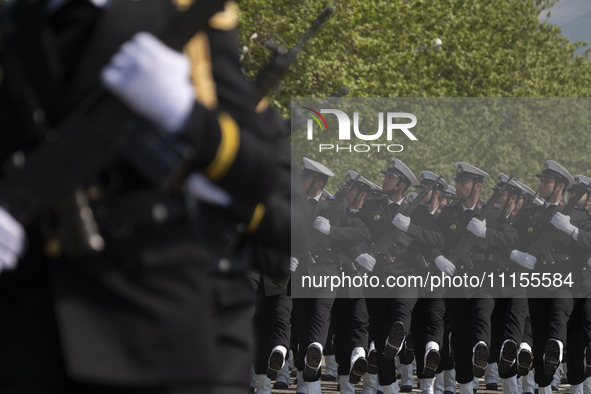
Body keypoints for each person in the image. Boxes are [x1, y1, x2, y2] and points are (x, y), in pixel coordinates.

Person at [0, 1, 291, 393]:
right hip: (26, 333)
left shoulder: (178, 14)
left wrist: (186, 115)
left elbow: (268, 182)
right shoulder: (16, 20)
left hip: (148, 333)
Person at [509, 160, 577, 394]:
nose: (541, 184)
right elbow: (511, 237)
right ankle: (544, 387)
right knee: (537, 333)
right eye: (541, 180)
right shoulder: (529, 213)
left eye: (547, 181)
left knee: (557, 319)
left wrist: (572, 230)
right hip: (536, 280)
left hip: (563, 279)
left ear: (560, 187)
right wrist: (515, 254)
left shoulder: (574, 215)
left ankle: (557, 347)